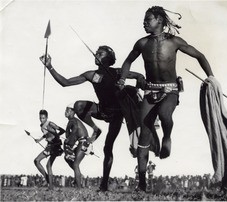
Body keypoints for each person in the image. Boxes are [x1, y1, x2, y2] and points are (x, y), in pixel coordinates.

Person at [117, 6, 214, 191]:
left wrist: (211, 77)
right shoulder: (142, 43)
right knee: (144, 135)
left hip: (170, 90)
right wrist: (122, 78)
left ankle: (167, 138)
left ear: (159, 20)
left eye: (148, 19)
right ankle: (142, 182)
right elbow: (128, 61)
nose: (144, 22)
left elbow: (199, 55)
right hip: (150, 90)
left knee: (164, 114)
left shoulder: (174, 41)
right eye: (144, 20)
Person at [39, 45, 145, 191]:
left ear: (109, 58)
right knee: (78, 105)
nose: (96, 55)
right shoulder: (91, 75)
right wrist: (50, 66)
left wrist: (137, 88)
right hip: (101, 110)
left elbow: (139, 76)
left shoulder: (118, 72)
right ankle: (95, 129)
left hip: (117, 114)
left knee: (108, 148)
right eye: (96, 53)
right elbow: (65, 82)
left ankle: (103, 185)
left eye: (100, 54)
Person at [34, 109, 65, 190]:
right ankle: (48, 179)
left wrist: (56, 135)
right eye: (40, 118)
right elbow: (46, 134)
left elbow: (62, 130)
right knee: (37, 161)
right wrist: (39, 140)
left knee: (47, 165)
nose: (41, 120)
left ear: (47, 117)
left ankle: (50, 186)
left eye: (43, 118)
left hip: (55, 145)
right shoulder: (42, 126)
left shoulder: (50, 123)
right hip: (49, 146)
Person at [63, 104, 89, 189]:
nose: (65, 112)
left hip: (84, 142)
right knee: (67, 158)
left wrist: (69, 139)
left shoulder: (72, 120)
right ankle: (79, 176)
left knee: (75, 164)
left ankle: (78, 187)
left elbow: (74, 131)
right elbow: (73, 133)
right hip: (83, 142)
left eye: (67, 110)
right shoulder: (73, 121)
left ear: (71, 111)